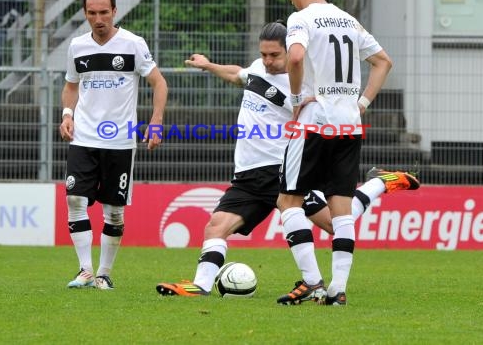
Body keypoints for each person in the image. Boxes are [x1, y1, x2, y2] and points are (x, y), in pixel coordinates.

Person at [155, 22, 419, 297]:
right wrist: (209, 66)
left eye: (275, 55)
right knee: (216, 226)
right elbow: (238, 75)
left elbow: (325, 112)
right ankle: (201, 285)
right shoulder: (259, 67)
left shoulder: (304, 85)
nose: (268, 61)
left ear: (291, 52)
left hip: (280, 170)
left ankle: (377, 184)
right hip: (246, 175)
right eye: (264, 54)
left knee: (334, 223)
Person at [275, 0, 416, 306]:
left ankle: (311, 281)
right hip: (349, 124)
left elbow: (294, 58)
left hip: (313, 122)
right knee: (341, 208)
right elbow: (383, 61)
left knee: (288, 201)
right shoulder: (348, 20)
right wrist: (363, 102)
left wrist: (295, 99)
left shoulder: (301, 19)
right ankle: (338, 289)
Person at [58, 0, 168, 289]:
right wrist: (67, 115)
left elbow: (159, 83)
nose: (98, 18)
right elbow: (70, 86)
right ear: (85, 13)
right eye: (92, 13)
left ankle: (105, 273)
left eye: (104, 12)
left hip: (119, 141)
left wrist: (155, 121)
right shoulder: (77, 47)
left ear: (114, 11)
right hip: (84, 137)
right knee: (75, 199)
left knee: (114, 213)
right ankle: (85, 270)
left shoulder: (133, 44)